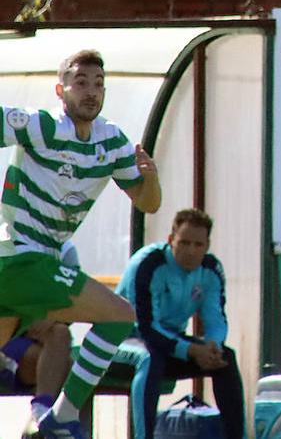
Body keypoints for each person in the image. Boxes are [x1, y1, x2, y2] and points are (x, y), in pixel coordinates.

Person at [0, 49, 162, 439]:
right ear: (61, 90)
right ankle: (61, 416)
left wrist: (151, 177)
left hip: (32, 266)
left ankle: (46, 418)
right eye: (81, 83)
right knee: (119, 315)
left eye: (99, 84)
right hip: (21, 257)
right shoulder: (41, 126)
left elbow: (148, 202)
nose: (91, 92)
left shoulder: (112, 142)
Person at [114, 208, 244, 439]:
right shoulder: (147, 264)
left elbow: (216, 319)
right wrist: (193, 350)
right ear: (170, 240)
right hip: (121, 341)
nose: (191, 252)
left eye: (198, 245)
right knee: (149, 356)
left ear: (207, 245)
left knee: (225, 358)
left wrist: (212, 347)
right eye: (184, 243)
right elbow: (147, 328)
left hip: (168, 344)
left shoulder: (211, 270)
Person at [0, 244, 80, 430]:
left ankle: (42, 414)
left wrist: (51, 318)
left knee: (61, 335)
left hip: (43, 338)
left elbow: (75, 300)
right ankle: (45, 421)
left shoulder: (66, 250)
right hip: (10, 335)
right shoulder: (7, 238)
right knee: (66, 368)